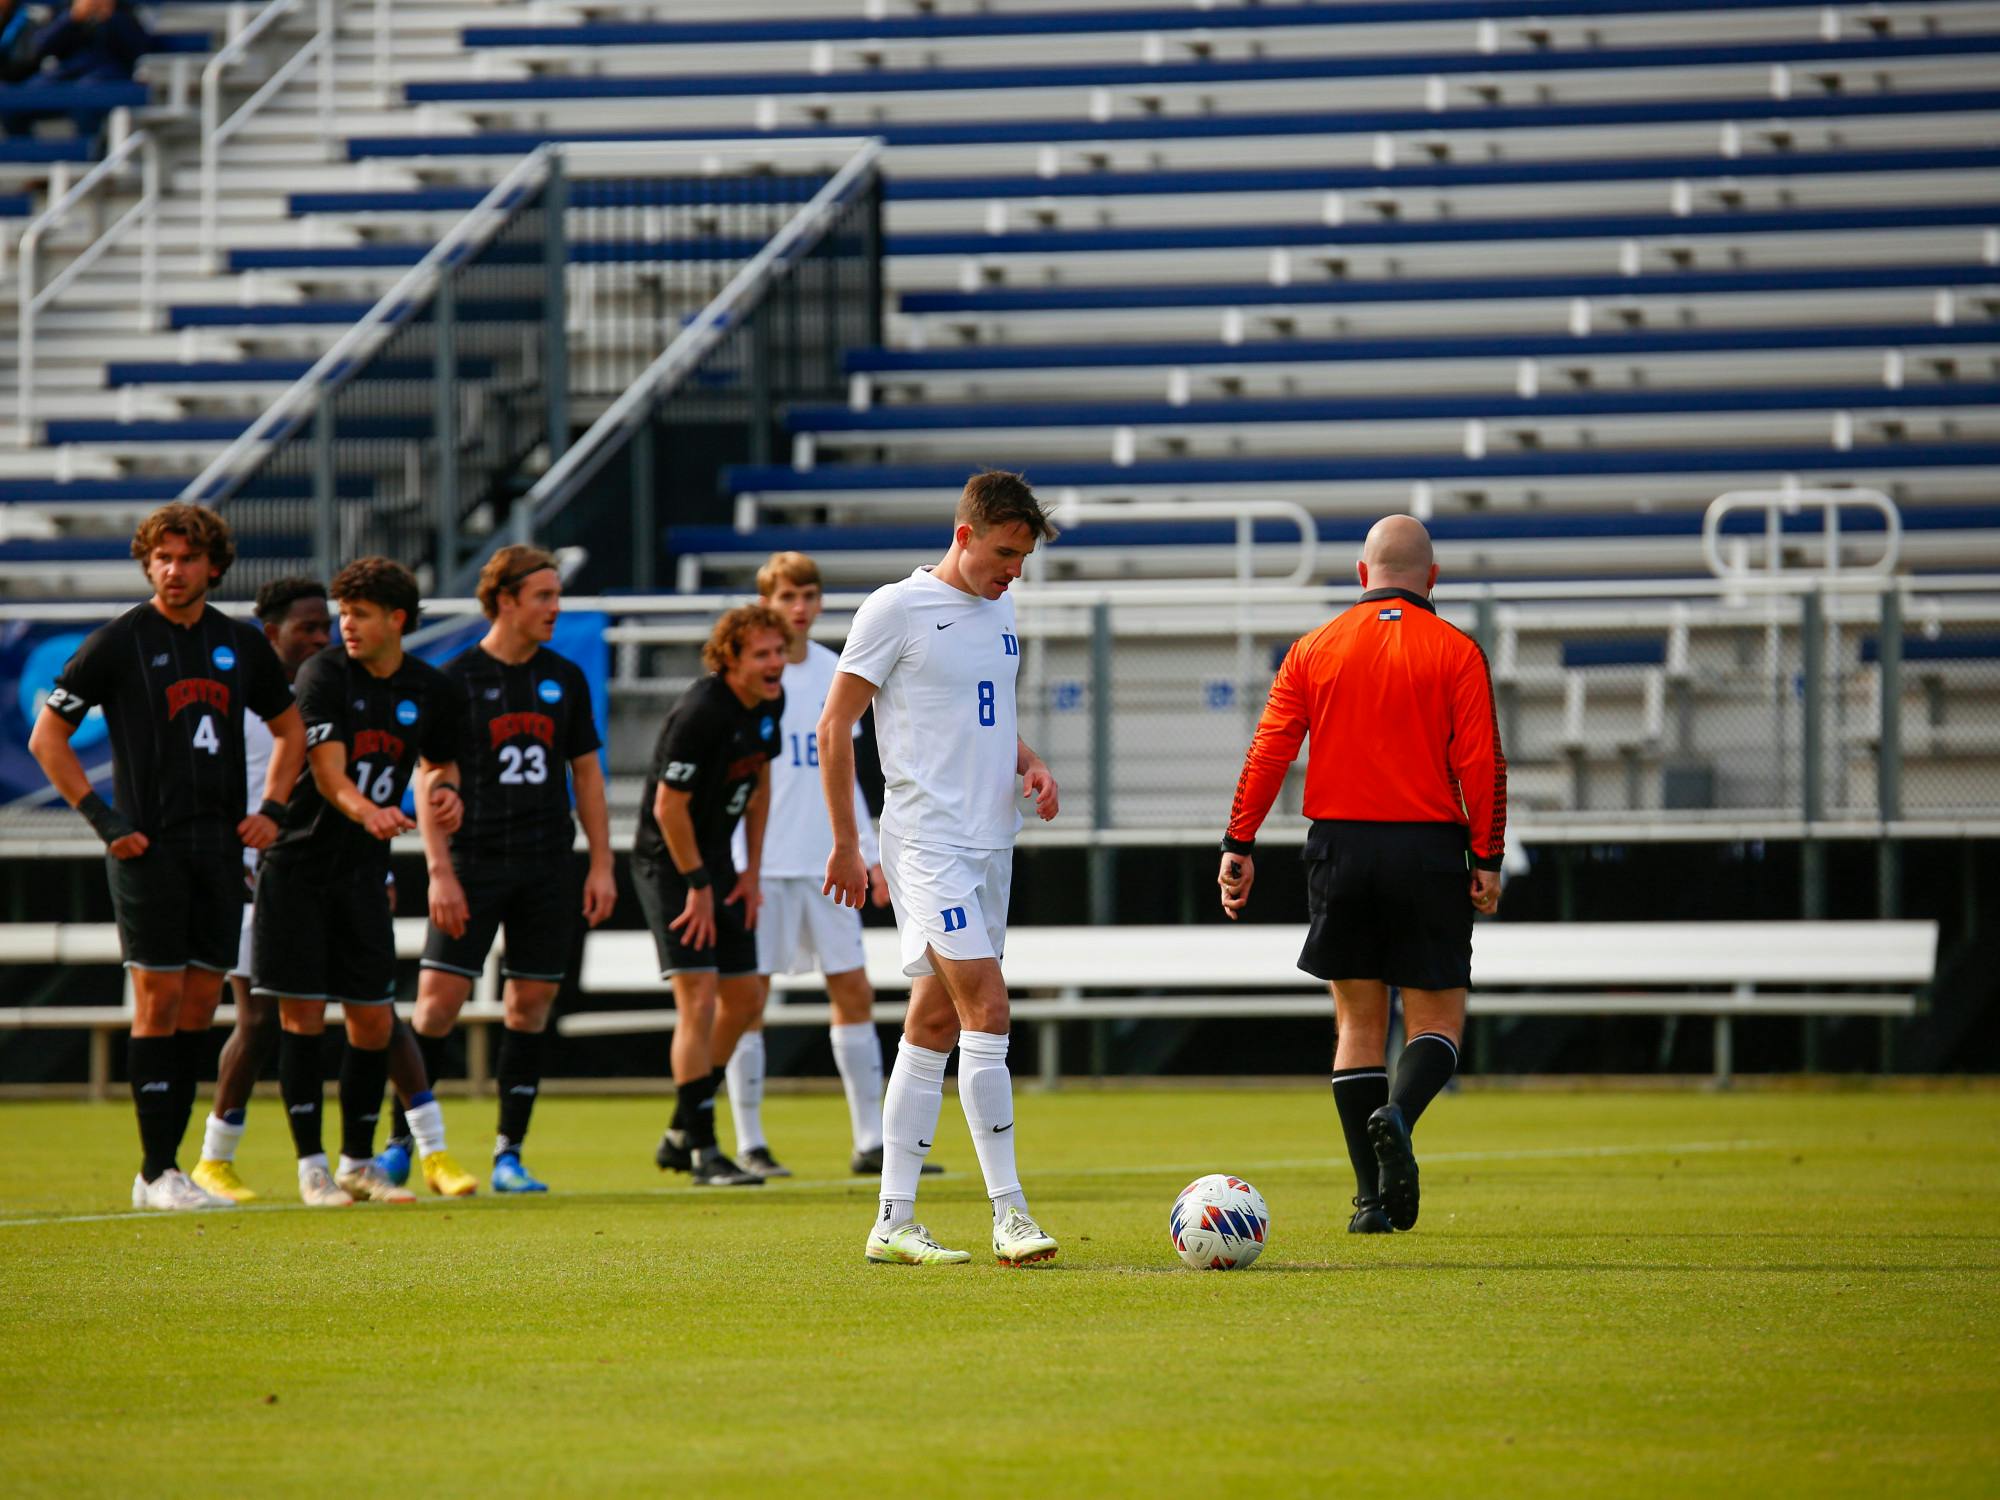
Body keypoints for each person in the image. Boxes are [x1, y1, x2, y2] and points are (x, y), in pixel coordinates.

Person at [1217, 514, 1507, 1235]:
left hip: (1340, 849)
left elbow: (1269, 750)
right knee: (1437, 1021)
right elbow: (1483, 763)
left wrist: (1238, 842)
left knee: (1357, 1023)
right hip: (1430, 849)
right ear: (1432, 579)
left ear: (1360, 574)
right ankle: (1399, 1116)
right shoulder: (1457, 651)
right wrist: (1488, 856)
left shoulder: (1315, 649)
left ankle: (1369, 1202)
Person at [27, 503, 303, 1210]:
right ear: (147, 563)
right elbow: (47, 738)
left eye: (186, 558)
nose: (172, 570)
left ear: (214, 565)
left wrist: (270, 811)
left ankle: (168, 1170)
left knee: (200, 1005)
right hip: (148, 848)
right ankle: (156, 1170)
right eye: (161, 558)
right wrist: (103, 819)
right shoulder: (119, 640)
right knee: (157, 999)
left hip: (219, 851)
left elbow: (290, 728)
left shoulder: (238, 644)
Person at [820, 469, 1063, 1267]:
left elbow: (984, 715)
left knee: (930, 1024)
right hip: (927, 844)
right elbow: (834, 728)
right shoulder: (896, 609)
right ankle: (1011, 1214)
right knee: (987, 1007)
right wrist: (848, 843)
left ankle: (892, 1221)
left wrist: (1028, 761)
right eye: (1003, 553)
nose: (1013, 571)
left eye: (1022, 558)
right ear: (964, 535)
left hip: (992, 842)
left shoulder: (1001, 608)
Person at [388, 545, 615, 1194]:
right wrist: (439, 872)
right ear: (505, 600)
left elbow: (587, 774)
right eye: (542, 596)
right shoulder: (454, 679)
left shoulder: (563, 677)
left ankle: (508, 1153)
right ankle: (402, 1142)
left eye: (555, 595)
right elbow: (430, 779)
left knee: (531, 1002)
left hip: (547, 864)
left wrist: (600, 865)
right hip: (474, 861)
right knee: (436, 1004)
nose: (555, 607)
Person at [252, 557, 479, 1205]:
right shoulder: (324, 674)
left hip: (361, 876)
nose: (342, 627)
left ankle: (357, 1162)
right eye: (340, 613)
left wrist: (450, 797)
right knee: (299, 1016)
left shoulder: (431, 690)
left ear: (397, 620)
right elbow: (327, 775)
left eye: (358, 615)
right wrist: (370, 812)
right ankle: (312, 1168)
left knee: (372, 1022)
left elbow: (442, 764)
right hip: (297, 867)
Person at [725, 551, 938, 1180]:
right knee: (748, 999)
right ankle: (750, 1140)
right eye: (787, 595)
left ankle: (872, 1141)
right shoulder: (746, 678)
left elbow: (849, 775)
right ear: (765, 602)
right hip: (761, 864)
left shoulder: (837, 669)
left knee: (852, 988)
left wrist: (867, 852)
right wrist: (737, 860)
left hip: (826, 860)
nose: (800, 607)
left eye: (809, 595)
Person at [631, 604, 787, 1188]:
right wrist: (696, 886)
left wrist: (750, 871)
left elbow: (759, 783)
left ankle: (678, 1129)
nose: (775, 664)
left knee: (744, 999)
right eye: (762, 654)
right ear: (730, 660)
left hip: (719, 861)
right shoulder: (701, 712)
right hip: (668, 862)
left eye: (779, 651)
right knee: (697, 998)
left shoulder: (770, 703)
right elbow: (667, 809)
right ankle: (703, 1150)